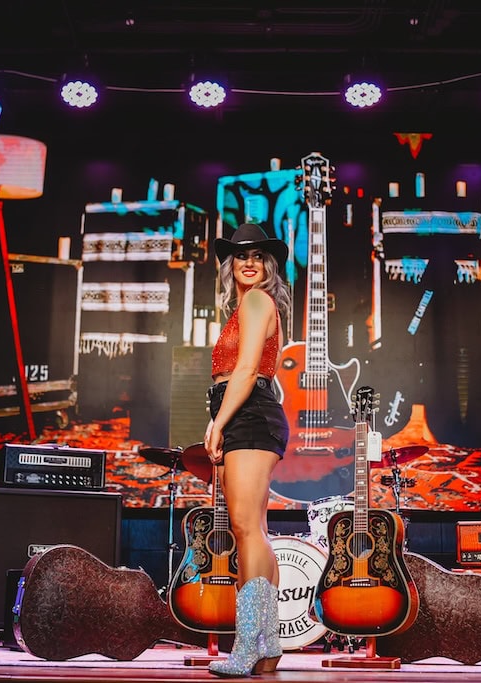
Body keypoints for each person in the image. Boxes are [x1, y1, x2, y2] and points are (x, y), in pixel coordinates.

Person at [204, 223, 292, 678]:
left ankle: (246, 646)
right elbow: (231, 380)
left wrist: (219, 422)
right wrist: (216, 415)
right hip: (242, 410)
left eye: (259, 255)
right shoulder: (241, 308)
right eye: (241, 256)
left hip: (251, 413)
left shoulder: (258, 301)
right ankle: (267, 647)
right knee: (253, 528)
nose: (250, 262)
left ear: (269, 264)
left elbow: (245, 370)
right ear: (231, 265)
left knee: (245, 527)